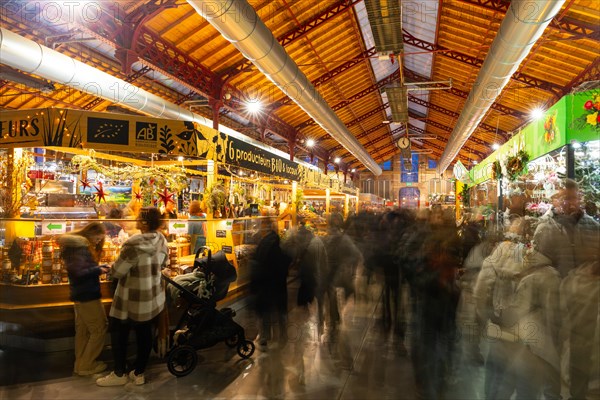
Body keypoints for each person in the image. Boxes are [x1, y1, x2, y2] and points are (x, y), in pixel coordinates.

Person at [96, 207, 169, 387]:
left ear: (143, 222)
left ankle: (120, 373)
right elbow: (164, 264)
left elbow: (117, 272)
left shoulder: (133, 244)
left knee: (119, 332)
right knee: (144, 333)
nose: (135, 219)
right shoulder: (161, 239)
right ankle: (139, 372)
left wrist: (110, 268)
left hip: (130, 297)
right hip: (151, 296)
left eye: (138, 218)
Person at [58, 222, 109, 377]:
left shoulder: (75, 246)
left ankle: (80, 364)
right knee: (99, 328)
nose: (98, 241)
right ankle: (87, 365)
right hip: (87, 295)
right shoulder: (80, 247)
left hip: (80, 294)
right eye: (98, 238)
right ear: (91, 233)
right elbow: (79, 271)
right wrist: (99, 269)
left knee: (83, 330)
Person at [249, 218, 291, 350]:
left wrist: (254, 282)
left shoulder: (264, 243)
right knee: (280, 310)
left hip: (266, 282)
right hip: (278, 282)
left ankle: (265, 337)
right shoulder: (279, 242)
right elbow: (287, 259)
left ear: (265, 227)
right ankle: (283, 335)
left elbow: (257, 263)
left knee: (266, 310)